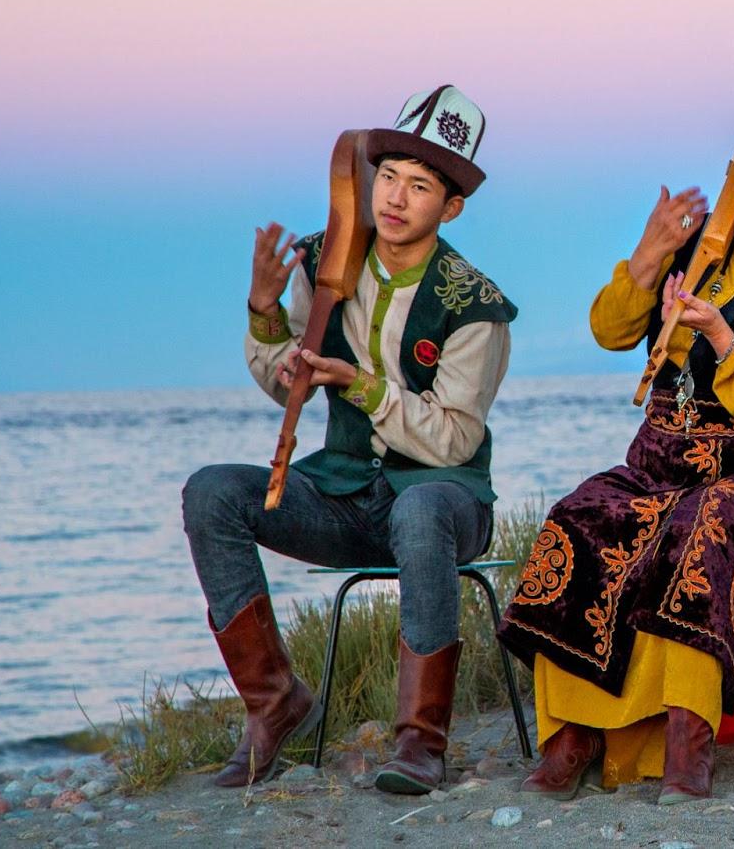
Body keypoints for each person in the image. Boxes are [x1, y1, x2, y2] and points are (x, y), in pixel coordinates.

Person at [498, 98, 734, 804]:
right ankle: (574, 735)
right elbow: (611, 332)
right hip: (662, 461)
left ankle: (686, 741)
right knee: (580, 517)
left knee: (704, 529)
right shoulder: (696, 248)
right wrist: (648, 252)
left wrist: (724, 341)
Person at [181, 85, 516, 793]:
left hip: (443, 506)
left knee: (422, 511)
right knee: (212, 492)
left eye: (419, 186)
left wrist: (361, 384)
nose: (395, 198)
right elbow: (287, 383)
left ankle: (420, 743)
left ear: (450, 207)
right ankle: (277, 705)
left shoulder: (474, 304)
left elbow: (455, 442)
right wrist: (266, 313)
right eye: (388, 176)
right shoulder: (328, 261)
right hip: (340, 498)